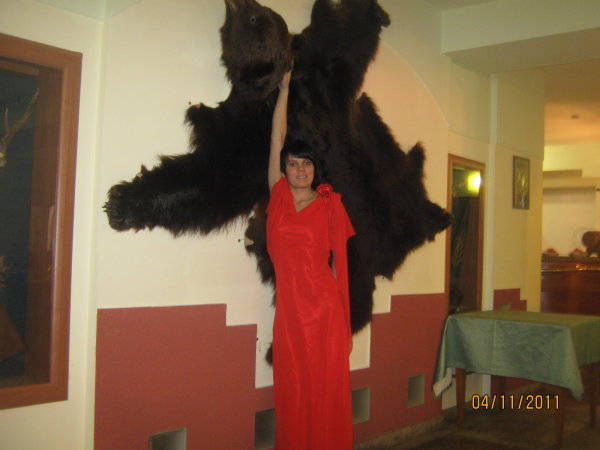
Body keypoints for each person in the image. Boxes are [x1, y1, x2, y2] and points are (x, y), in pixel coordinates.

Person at [266, 70, 355, 449]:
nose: (300, 170)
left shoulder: (331, 206)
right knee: (293, 387)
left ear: (315, 168)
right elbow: (277, 138)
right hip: (290, 313)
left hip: (323, 312)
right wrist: (285, 90)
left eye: (306, 163)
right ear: (284, 168)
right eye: (293, 163)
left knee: (323, 387)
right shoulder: (278, 198)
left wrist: (341, 316)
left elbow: (337, 267)